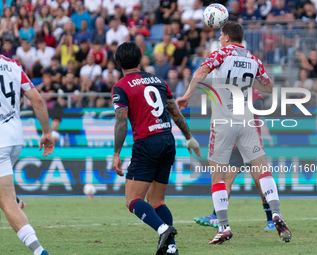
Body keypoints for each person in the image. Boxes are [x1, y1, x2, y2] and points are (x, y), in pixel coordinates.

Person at [176, 22, 291, 244]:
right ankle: (276, 212)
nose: (219, 39)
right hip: (248, 122)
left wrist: (188, 94)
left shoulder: (221, 53)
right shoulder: (253, 59)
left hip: (223, 122)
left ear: (228, 37)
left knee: (218, 176)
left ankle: (223, 227)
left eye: (220, 35)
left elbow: (201, 71)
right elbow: (268, 87)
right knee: (262, 171)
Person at [113, 42, 201, 255]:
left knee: (132, 200)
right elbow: (174, 111)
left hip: (147, 143)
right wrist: (189, 137)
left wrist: (116, 153)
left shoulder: (121, 86)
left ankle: (163, 229)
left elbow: (121, 121)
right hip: (167, 140)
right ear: (140, 58)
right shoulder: (159, 80)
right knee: (157, 201)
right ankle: (171, 249)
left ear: (118, 63)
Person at [194, 88, 276, 231]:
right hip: (234, 144)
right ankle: (215, 216)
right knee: (226, 179)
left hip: (250, 142)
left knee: (259, 181)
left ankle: (272, 220)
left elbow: (256, 108)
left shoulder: (254, 92)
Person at [0, 55, 54, 254]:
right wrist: (47, 132)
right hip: (14, 138)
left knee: (6, 202)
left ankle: (40, 252)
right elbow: (37, 100)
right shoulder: (12, 64)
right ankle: (13, 200)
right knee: (5, 197)